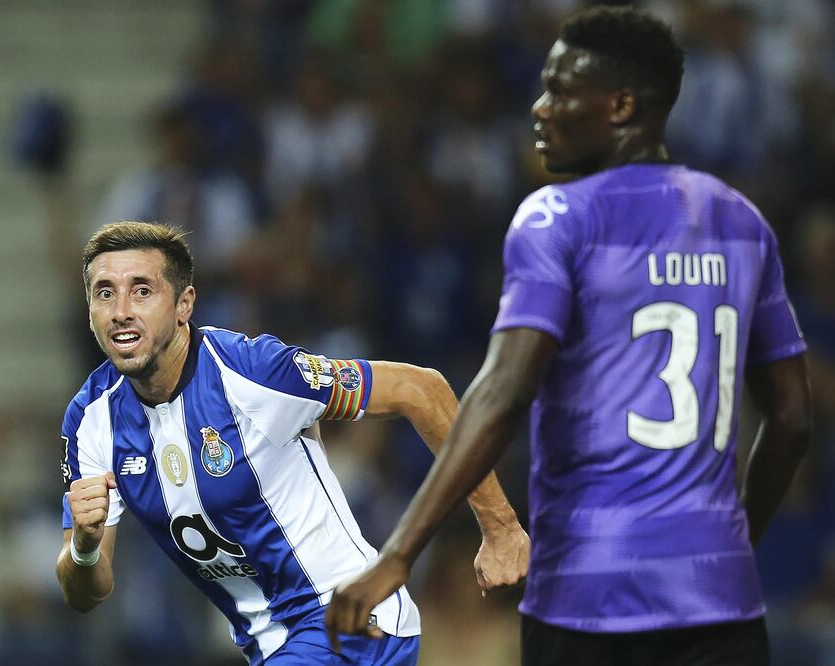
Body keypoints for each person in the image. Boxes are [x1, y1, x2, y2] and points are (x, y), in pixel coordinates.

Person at [325, 6, 813, 666]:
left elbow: (504, 391)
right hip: (719, 603)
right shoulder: (741, 222)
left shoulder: (558, 216)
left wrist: (397, 554)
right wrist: (734, 542)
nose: (539, 108)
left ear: (620, 105)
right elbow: (792, 419)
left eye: (559, 89)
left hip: (588, 601)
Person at [54, 220, 530, 665]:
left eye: (142, 291)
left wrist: (501, 527)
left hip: (350, 618)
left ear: (184, 305)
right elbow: (85, 594)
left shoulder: (253, 373)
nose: (121, 311)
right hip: (271, 648)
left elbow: (423, 390)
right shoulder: (89, 421)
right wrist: (85, 548)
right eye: (105, 293)